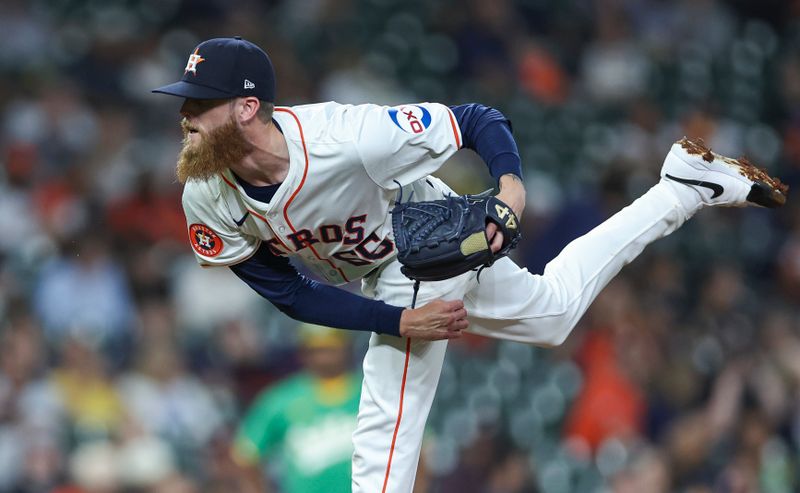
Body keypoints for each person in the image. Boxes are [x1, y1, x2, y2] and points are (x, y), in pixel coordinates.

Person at [151, 37, 787, 492]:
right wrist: (394, 320)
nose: (185, 117)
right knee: (554, 315)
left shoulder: (349, 137)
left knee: (391, 393)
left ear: (245, 108)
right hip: (377, 273)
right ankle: (681, 189)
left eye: (198, 104)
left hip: (428, 234)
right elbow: (288, 293)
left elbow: (477, 119)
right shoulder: (206, 192)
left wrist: (509, 185)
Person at [232, 323, 361, 493]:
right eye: (317, 350)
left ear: (347, 348)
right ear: (303, 353)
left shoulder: (370, 390)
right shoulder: (281, 399)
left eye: (331, 348)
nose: (325, 357)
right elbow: (245, 455)